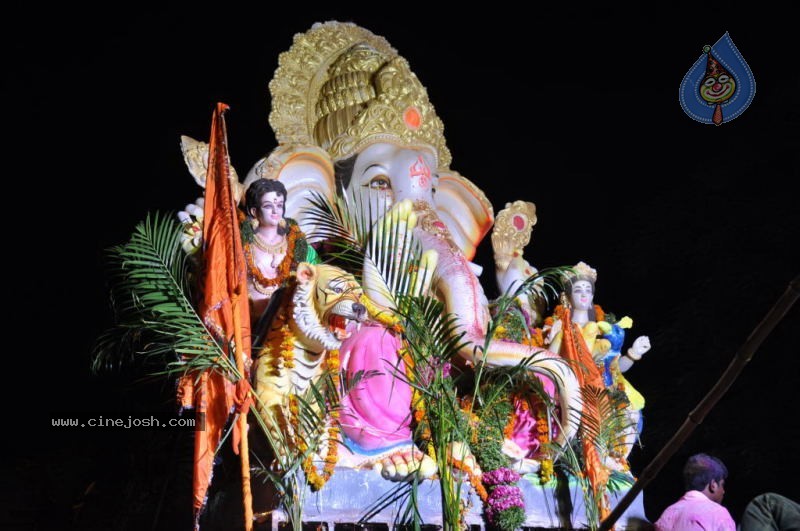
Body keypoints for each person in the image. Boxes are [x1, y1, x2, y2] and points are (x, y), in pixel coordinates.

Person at [242, 178, 317, 319]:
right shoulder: (243, 243)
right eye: (268, 206)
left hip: (288, 322)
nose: (275, 211)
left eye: (279, 205)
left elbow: (314, 281)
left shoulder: (296, 243)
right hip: (250, 323)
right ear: (254, 211)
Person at [654, 453, 736, 531]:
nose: (723, 491)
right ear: (713, 485)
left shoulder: (669, 512)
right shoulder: (718, 513)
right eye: (722, 485)